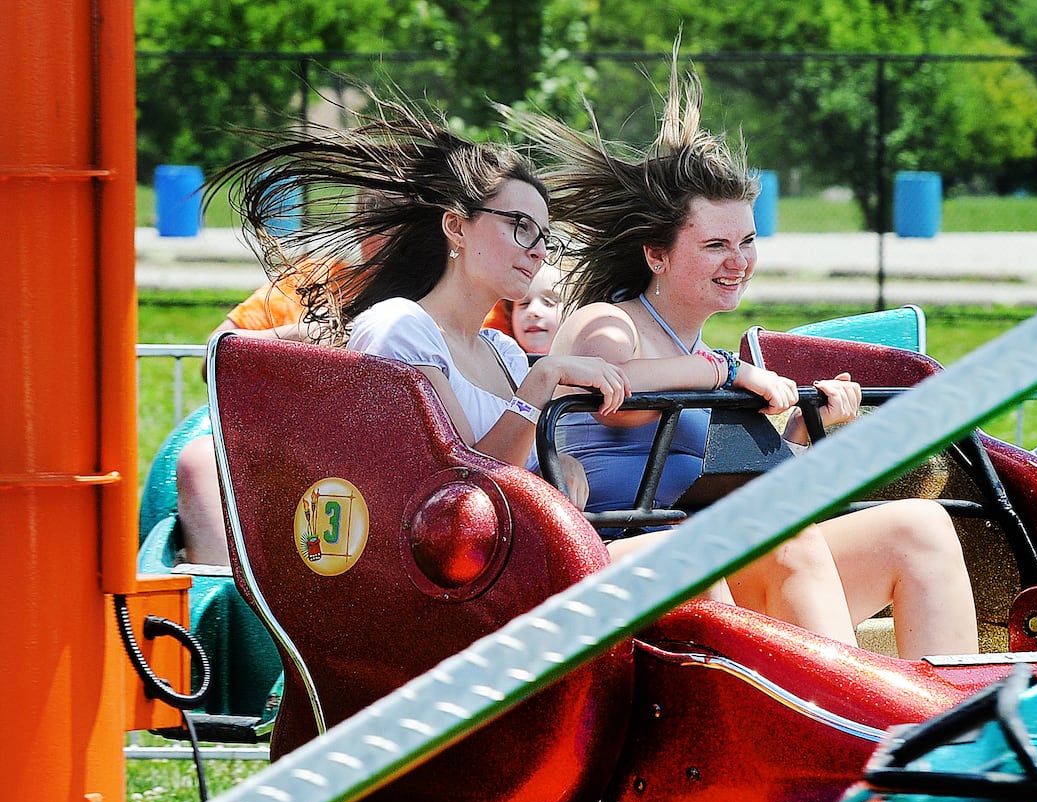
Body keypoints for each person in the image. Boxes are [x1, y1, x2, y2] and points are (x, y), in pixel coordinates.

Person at [504, 66, 979, 658]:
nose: (738, 261)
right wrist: (726, 373)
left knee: (919, 528)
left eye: (747, 242)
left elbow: (737, 486)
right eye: (715, 246)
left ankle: (943, 735)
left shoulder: (700, 352)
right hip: (615, 567)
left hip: (708, 556)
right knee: (779, 540)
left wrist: (806, 431)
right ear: (656, 254)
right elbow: (619, 396)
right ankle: (841, 725)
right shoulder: (608, 322)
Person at [215, 93, 627, 512]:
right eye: (521, 226)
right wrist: (544, 379)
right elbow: (467, 488)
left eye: (544, 235)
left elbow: (519, 471)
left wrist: (562, 464)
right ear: (456, 227)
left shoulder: (503, 353)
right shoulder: (399, 326)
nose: (537, 250)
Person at [173, 191, 393, 567]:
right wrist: (311, 333)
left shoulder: (451, 295)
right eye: (374, 221)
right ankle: (233, 604)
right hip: (295, 458)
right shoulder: (311, 282)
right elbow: (216, 355)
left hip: (383, 470)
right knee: (199, 459)